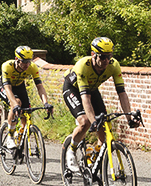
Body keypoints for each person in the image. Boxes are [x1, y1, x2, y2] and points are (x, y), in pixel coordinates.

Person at [60, 37, 140, 172]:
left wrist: (129, 118)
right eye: (103, 57)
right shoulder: (83, 66)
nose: (106, 61)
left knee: (104, 126)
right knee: (85, 121)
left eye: (109, 56)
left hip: (91, 89)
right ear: (93, 55)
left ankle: (94, 158)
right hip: (73, 89)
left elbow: (122, 93)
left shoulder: (113, 66)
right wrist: (93, 122)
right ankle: (71, 150)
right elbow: (85, 99)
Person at [0, 46, 52, 148]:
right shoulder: (7, 66)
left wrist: (45, 103)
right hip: (6, 87)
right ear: (16, 60)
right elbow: (8, 88)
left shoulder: (32, 67)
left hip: (20, 86)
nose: (27, 65)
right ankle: (10, 136)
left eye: (29, 61)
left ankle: (21, 136)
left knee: (27, 112)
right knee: (17, 103)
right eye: (24, 62)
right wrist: (14, 104)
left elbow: (39, 86)